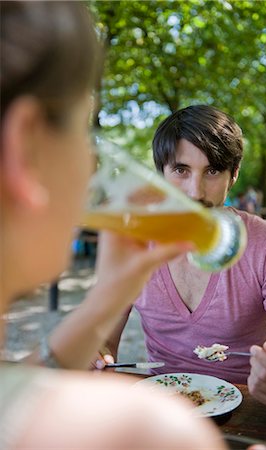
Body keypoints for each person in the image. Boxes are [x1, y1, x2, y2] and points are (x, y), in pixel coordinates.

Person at [0, 3, 228, 449]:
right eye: (82, 130)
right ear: (24, 146)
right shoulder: (142, 430)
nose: (90, 162)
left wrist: (104, 299)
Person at [97, 105, 266, 408]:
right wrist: (97, 357)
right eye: (181, 170)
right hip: (161, 406)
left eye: (213, 170)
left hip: (248, 405)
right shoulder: (132, 242)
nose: (195, 191)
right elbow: (102, 339)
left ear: (234, 176)